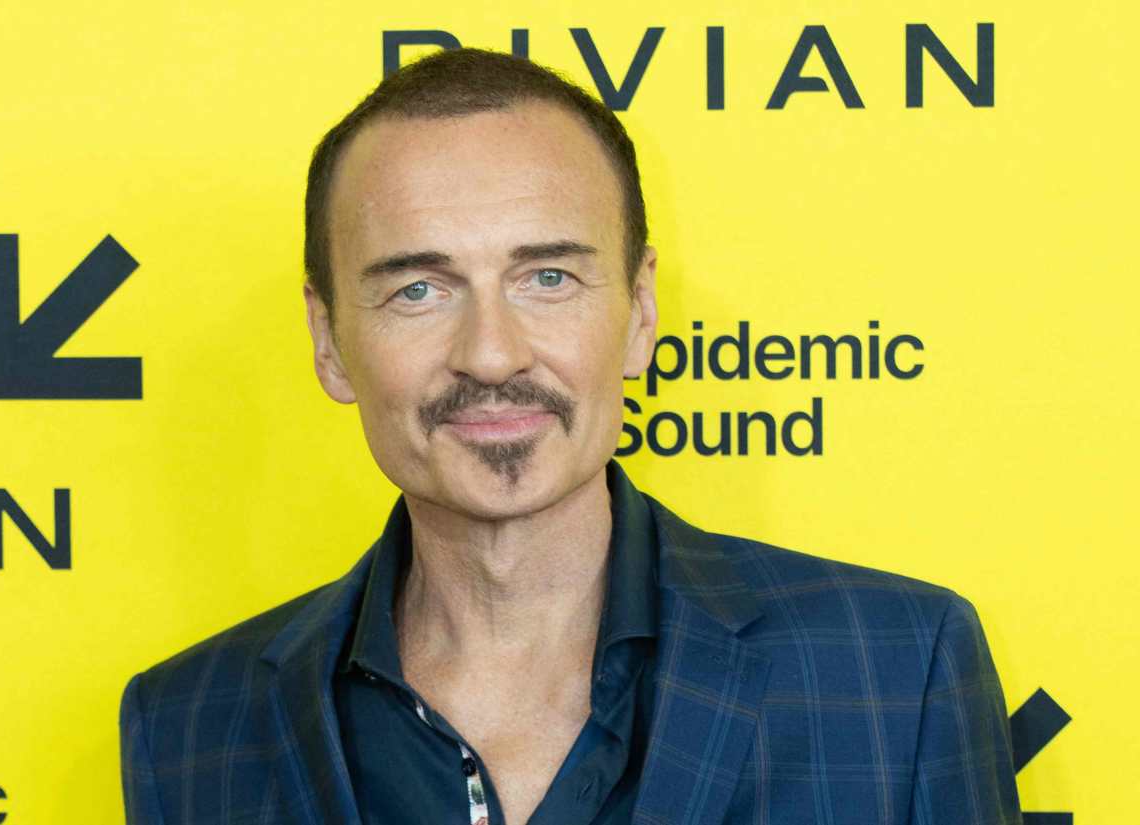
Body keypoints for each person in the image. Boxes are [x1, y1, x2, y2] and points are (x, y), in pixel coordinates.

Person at [119, 47, 1023, 825]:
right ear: (329, 342)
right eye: (419, 290)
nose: (490, 353)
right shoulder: (188, 726)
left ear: (640, 313)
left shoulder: (897, 673)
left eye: (547, 277)